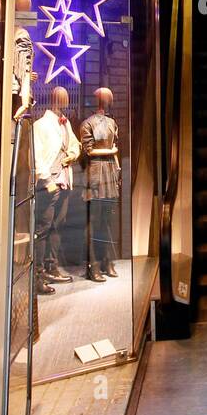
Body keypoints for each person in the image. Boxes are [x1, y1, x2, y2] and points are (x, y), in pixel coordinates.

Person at [33, 85, 81, 294]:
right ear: (55, 100)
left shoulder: (66, 122)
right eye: (62, 99)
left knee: (57, 225)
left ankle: (51, 266)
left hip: (64, 179)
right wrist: (46, 181)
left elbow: (74, 144)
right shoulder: (40, 125)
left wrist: (73, 154)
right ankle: (38, 273)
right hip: (49, 183)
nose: (65, 102)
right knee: (42, 228)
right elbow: (37, 155)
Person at [80, 87, 121, 281]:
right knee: (93, 223)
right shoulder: (87, 124)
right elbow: (88, 151)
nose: (107, 102)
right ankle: (93, 264)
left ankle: (107, 260)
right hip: (95, 175)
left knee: (106, 222)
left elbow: (115, 149)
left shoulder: (112, 123)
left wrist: (117, 169)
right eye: (106, 99)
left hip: (110, 174)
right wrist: (111, 152)